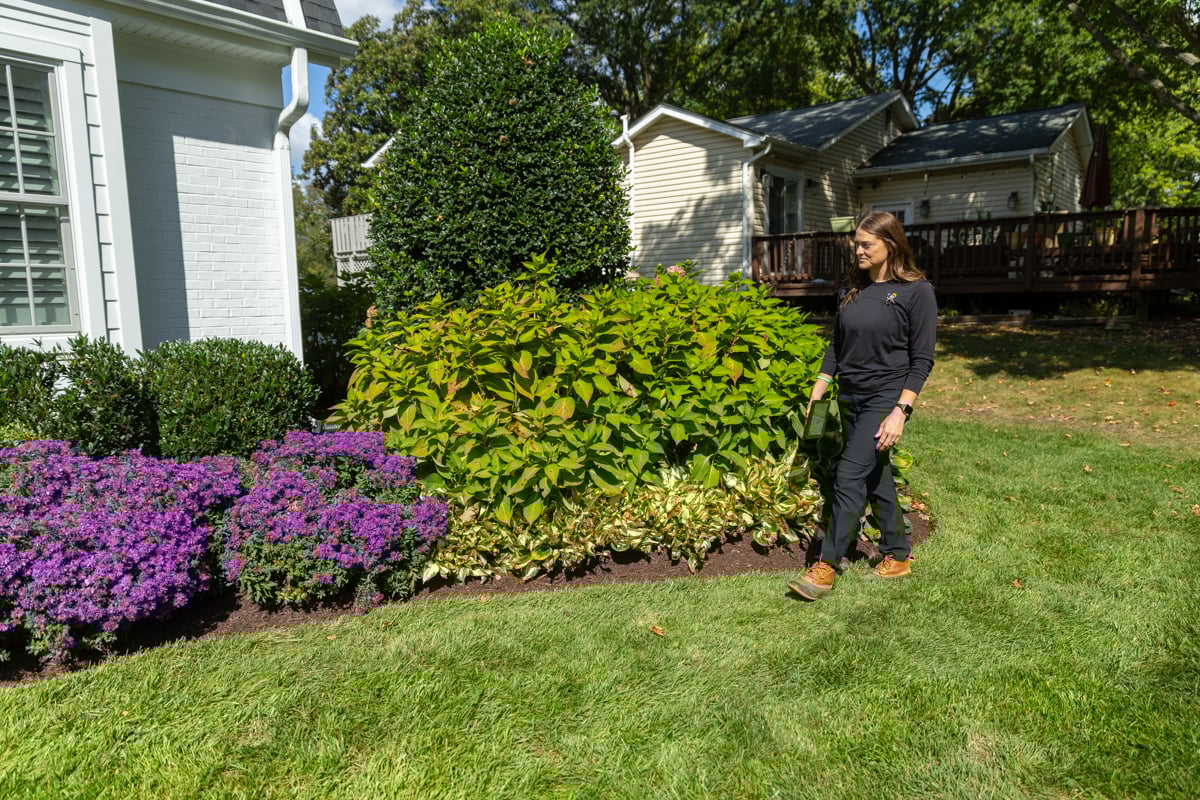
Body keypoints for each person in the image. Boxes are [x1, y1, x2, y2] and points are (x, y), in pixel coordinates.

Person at [788, 211, 936, 601]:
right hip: (850, 397)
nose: (859, 250)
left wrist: (900, 411)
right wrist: (820, 385)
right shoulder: (852, 288)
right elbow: (836, 344)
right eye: (856, 243)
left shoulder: (916, 292)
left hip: (885, 398)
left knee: (849, 475)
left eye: (866, 244)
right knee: (874, 474)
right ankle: (898, 554)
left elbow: (922, 360)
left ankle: (825, 566)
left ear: (891, 244)